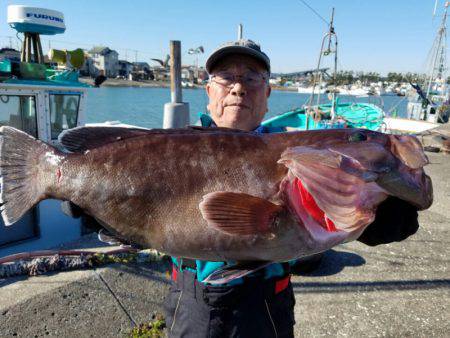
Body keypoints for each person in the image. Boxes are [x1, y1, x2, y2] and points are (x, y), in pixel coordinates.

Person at [164, 39, 420, 338]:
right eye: (226, 76)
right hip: (190, 301)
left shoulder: (302, 155)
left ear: (268, 93)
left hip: (266, 304)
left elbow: (346, 206)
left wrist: (380, 208)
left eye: (251, 77)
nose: (238, 87)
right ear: (208, 91)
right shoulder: (172, 151)